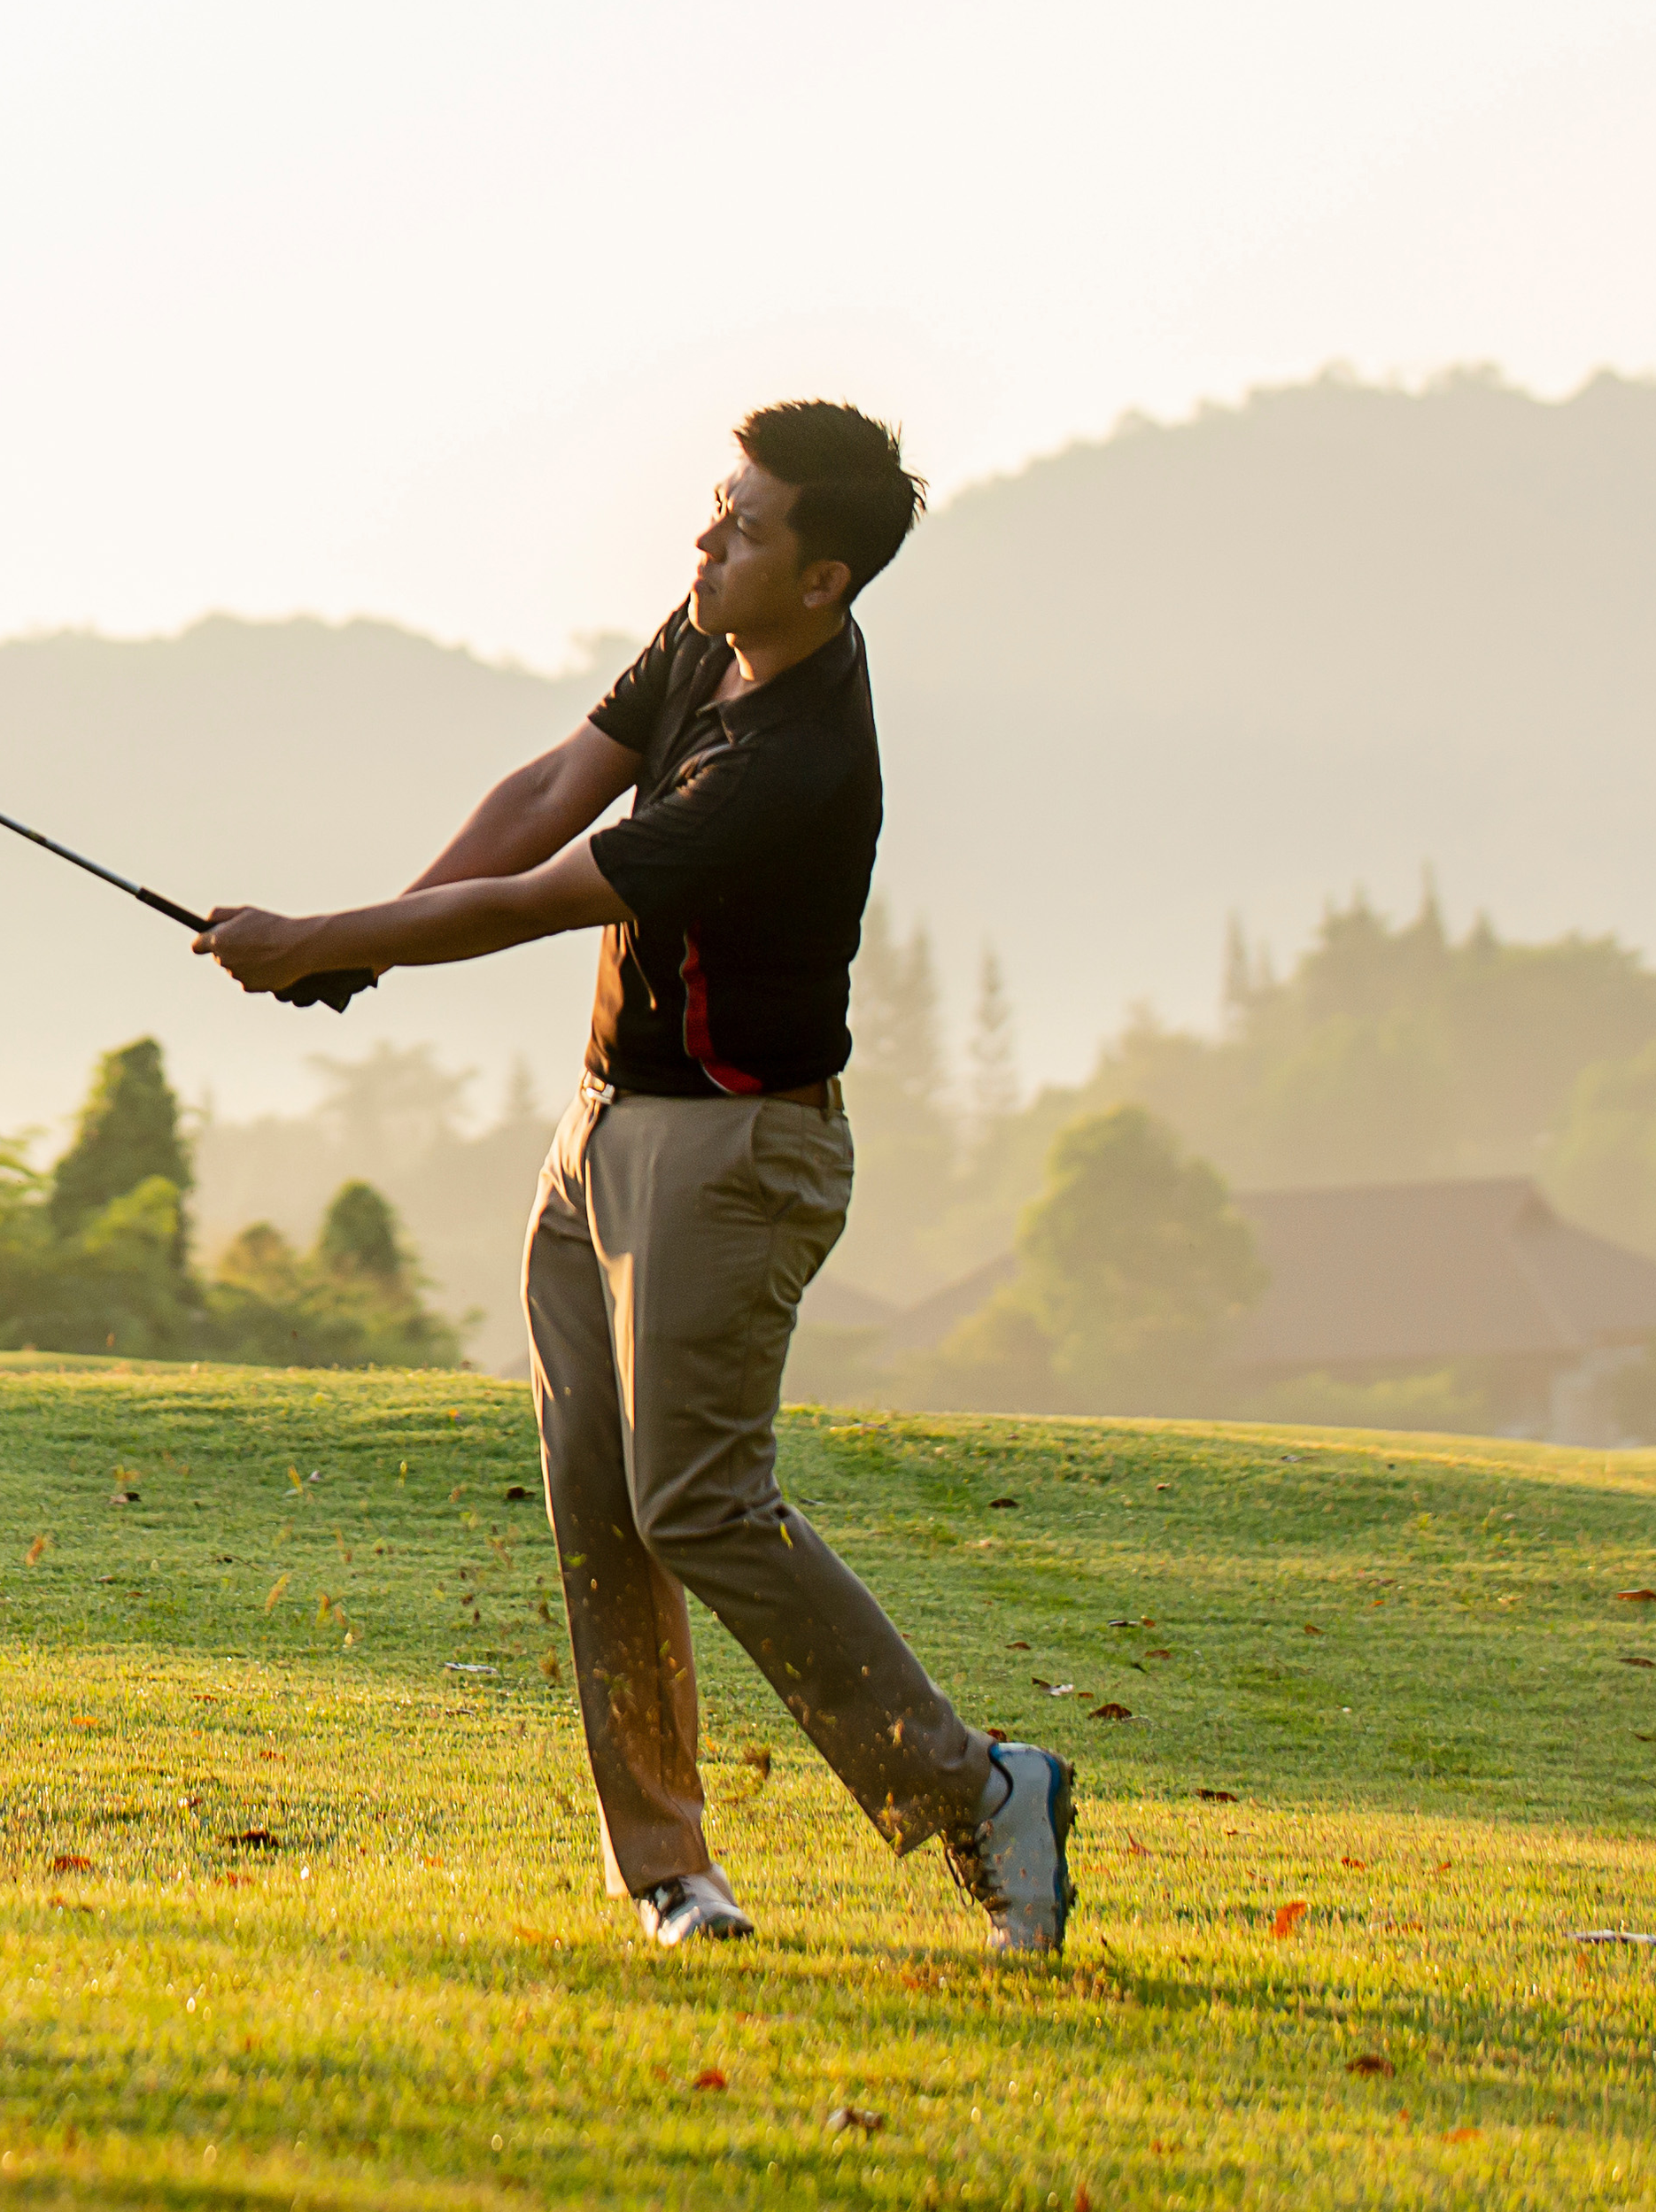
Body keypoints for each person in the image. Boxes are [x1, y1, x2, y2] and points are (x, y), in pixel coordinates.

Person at [194, 400, 1072, 1953]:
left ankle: (979, 1789)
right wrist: (369, 940)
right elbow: (552, 787)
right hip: (605, 1125)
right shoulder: (711, 634)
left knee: (697, 1503)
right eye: (715, 508)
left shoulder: (784, 766)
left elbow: (547, 896)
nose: (707, 542)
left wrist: (324, 939)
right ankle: (673, 1871)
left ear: (826, 580)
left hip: (736, 1152)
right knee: (600, 1506)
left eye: (745, 529)